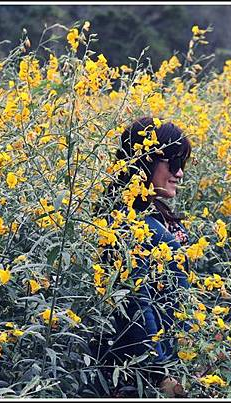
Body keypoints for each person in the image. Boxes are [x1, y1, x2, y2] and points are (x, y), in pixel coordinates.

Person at [93, 117, 192, 397]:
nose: (179, 173)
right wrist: (160, 374)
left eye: (181, 164)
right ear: (145, 162)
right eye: (172, 163)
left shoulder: (153, 217)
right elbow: (137, 303)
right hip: (140, 377)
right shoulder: (128, 225)